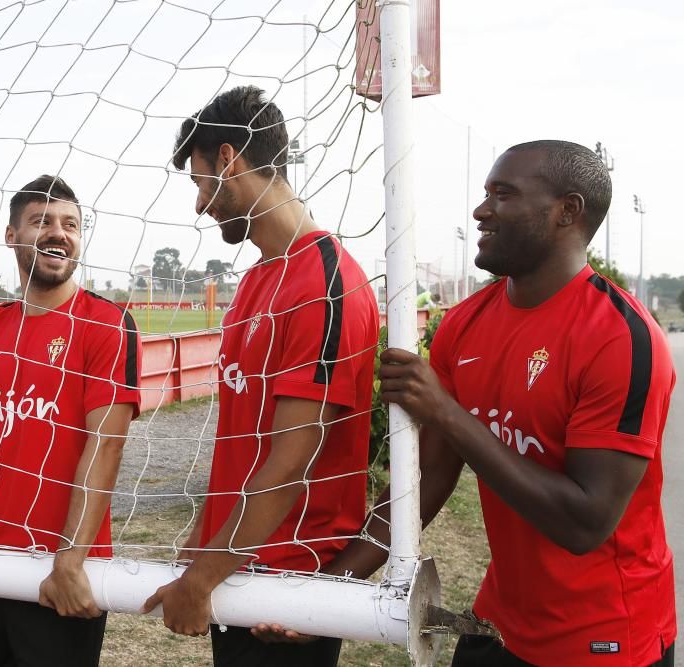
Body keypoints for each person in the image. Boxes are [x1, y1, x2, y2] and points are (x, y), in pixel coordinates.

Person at [256, 140, 676, 666]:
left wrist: (449, 414)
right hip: (500, 620)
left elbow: (584, 523)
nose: (481, 210)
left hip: (604, 636)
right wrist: (322, 592)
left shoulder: (622, 339)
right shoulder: (465, 323)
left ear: (568, 211)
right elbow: (426, 480)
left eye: (504, 194)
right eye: (485, 193)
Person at [141, 85, 379, 666]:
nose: (200, 206)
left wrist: (201, 580)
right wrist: (203, 545)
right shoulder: (253, 283)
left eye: (200, 183)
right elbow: (236, 443)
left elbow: (292, 459)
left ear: (228, 160)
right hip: (236, 564)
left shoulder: (325, 283)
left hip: (288, 588)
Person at [0, 175, 142, 665]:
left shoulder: (107, 324)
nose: (58, 233)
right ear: (11, 235)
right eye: (41, 221)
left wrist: (70, 560)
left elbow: (105, 446)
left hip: (56, 578)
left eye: (70, 224)